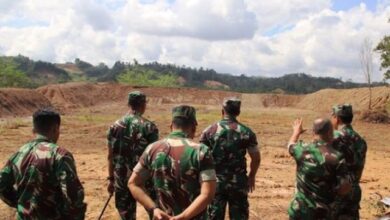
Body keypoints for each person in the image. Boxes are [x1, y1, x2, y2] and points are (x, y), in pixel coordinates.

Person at [129, 105, 217, 220]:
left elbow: (133, 183)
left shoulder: (152, 149)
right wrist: (183, 217)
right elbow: (207, 195)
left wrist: (154, 209)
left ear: (171, 126)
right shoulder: (201, 151)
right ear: (194, 128)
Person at [0, 108, 86, 219]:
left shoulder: (19, 153)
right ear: (55, 128)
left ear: (34, 129)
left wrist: (20, 204)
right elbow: (72, 196)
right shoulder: (60, 155)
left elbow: (2, 184)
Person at [200, 98, 261, 220]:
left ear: (222, 111)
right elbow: (256, 157)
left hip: (214, 182)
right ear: (238, 112)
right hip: (238, 182)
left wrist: (202, 179)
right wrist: (252, 176)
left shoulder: (209, 131)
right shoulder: (246, 132)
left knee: (214, 216)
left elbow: (201, 156)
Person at [107, 91, 159, 220]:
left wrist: (111, 179)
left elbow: (110, 156)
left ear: (128, 104)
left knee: (125, 214)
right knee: (155, 210)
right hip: (144, 176)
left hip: (121, 176)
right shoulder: (149, 127)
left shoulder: (114, 126)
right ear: (143, 105)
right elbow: (154, 157)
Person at [287, 118, 352, 220]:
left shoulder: (302, 150)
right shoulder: (337, 157)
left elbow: (290, 145)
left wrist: (296, 132)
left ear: (313, 132)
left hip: (300, 211)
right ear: (331, 133)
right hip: (322, 213)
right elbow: (344, 188)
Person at [331, 104, 367, 219]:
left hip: (336, 192)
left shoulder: (333, 138)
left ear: (337, 118)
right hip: (354, 191)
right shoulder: (360, 140)